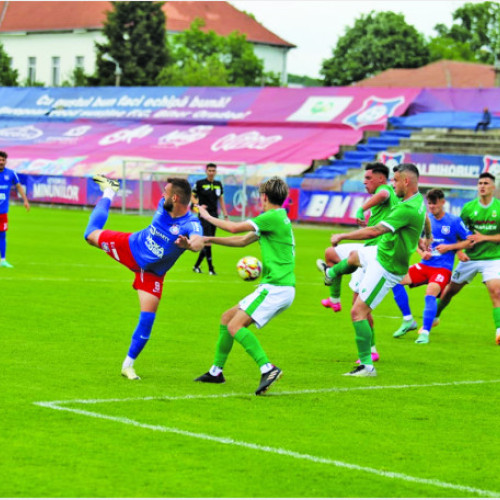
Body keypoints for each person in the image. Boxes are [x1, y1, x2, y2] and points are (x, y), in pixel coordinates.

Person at [84, 175, 204, 380]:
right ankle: (109, 191)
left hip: (151, 273)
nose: (162, 196)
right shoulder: (164, 206)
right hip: (131, 247)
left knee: (147, 318)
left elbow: (198, 241)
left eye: (165, 193)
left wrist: (189, 246)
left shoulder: (191, 223)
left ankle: (127, 366)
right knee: (90, 235)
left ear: (175, 198)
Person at [318, 163, 426, 377]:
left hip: (387, 266)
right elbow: (427, 219)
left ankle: (367, 366)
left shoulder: (407, 208)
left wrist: (342, 236)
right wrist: (427, 238)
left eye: (395, 180)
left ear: (406, 181)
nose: (392, 184)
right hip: (380, 251)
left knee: (358, 312)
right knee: (354, 257)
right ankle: (331, 274)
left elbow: (374, 231)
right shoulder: (417, 200)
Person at [194, 176, 295, 395]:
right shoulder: (277, 217)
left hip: (276, 287)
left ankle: (268, 368)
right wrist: (208, 240)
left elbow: (233, 229)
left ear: (265, 197)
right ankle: (215, 372)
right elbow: (241, 241)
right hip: (278, 287)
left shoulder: (271, 217)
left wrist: (207, 216)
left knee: (234, 326)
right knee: (227, 318)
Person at [318, 162, 399, 364]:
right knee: (331, 253)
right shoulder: (383, 202)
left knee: (359, 307)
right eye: (364, 178)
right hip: (367, 249)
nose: (364, 182)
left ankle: (371, 351)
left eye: (368, 178)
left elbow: (383, 195)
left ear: (381, 178)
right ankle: (334, 299)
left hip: (376, 255)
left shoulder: (385, 190)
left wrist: (361, 208)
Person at [391, 189, 471, 344]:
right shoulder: (425, 221)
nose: (432, 206)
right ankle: (408, 320)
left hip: (442, 268)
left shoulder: (454, 221)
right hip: (425, 265)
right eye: (429, 203)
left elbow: (469, 240)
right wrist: (422, 253)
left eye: (435, 203)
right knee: (395, 279)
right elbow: (414, 241)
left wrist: (451, 248)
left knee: (431, 291)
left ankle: (425, 333)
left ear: (442, 202)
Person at [433, 172, 500, 345]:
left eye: (486, 183)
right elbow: (457, 232)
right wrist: (459, 252)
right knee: (449, 292)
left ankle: (499, 331)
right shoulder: (469, 208)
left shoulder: (498, 208)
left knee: (496, 292)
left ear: (493, 187)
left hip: (493, 258)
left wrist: (485, 237)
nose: (482, 186)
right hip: (470, 258)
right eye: (480, 183)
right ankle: (434, 317)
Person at [192, 163, 228, 275]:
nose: (211, 172)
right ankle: (211, 269)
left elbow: (221, 200)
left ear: (216, 172)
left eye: (213, 170)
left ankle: (196, 266)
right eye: (209, 170)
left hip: (214, 215)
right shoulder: (200, 183)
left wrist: (225, 215)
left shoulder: (218, 184)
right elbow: (191, 196)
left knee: (209, 240)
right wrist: (198, 205)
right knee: (208, 241)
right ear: (206, 171)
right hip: (203, 215)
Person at [0, 150, 30, 268]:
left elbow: (18, 186)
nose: (1, 162)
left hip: (2, 212)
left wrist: (25, 200)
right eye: (0, 160)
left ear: (5, 161)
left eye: (3, 160)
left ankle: (3, 260)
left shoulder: (11, 173)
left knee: (2, 235)